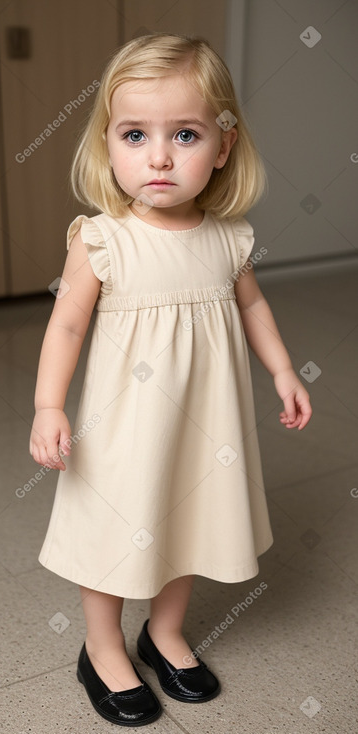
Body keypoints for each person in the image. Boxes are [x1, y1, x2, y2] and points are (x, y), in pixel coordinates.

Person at [29, 32, 312, 727]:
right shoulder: (103, 240)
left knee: (182, 522)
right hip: (121, 432)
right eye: (134, 134)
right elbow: (65, 327)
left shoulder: (228, 237)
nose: (158, 156)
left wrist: (280, 369)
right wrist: (47, 405)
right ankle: (100, 647)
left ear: (222, 145)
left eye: (183, 133)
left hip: (202, 427)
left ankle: (164, 632)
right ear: (107, 145)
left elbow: (251, 306)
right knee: (114, 529)